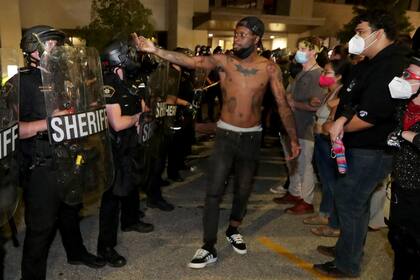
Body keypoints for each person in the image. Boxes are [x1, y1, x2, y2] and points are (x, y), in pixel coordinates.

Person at [132, 15, 300, 269]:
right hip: (225, 135)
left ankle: (234, 228)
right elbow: (190, 60)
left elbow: (282, 105)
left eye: (243, 34)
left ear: (256, 39)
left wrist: (294, 139)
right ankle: (208, 246)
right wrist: (155, 50)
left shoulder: (269, 68)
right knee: (213, 192)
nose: (237, 38)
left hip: (252, 137)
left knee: (243, 190)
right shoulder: (223, 61)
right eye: (236, 33)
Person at [313, 10, 410, 277]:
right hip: (355, 144)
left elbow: (373, 114)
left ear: (379, 34)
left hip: (372, 148)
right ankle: (348, 248)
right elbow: (350, 99)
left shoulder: (392, 64)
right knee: (356, 201)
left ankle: (347, 264)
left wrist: (335, 127)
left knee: (350, 199)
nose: (356, 38)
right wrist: (340, 119)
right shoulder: (367, 61)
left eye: (361, 32)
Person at [17, 25, 106, 280]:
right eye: (50, 44)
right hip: (41, 164)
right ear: (32, 48)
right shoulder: (21, 82)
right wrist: (50, 122)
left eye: (57, 44)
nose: (56, 49)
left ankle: (75, 252)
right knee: (41, 227)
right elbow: (15, 131)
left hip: (69, 155)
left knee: (70, 210)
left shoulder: (64, 78)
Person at [97, 40, 154, 268]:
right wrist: (136, 118)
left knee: (131, 184)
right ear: (118, 58)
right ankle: (106, 247)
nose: (133, 56)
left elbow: (143, 107)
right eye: (129, 53)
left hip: (129, 145)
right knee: (110, 199)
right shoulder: (108, 85)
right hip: (114, 148)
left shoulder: (128, 82)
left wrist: (141, 114)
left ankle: (130, 220)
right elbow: (118, 123)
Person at [273, 37, 324, 215]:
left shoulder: (318, 75)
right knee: (293, 163)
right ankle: (294, 193)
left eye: (303, 49)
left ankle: (307, 201)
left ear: (314, 51)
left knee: (304, 165)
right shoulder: (302, 72)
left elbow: (315, 105)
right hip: (291, 126)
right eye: (299, 48)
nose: (299, 52)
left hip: (304, 127)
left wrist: (293, 103)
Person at [387, 35, 420, 279]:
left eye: (410, 75)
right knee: (397, 236)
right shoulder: (403, 103)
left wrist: (407, 135)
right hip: (401, 182)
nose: (404, 79)